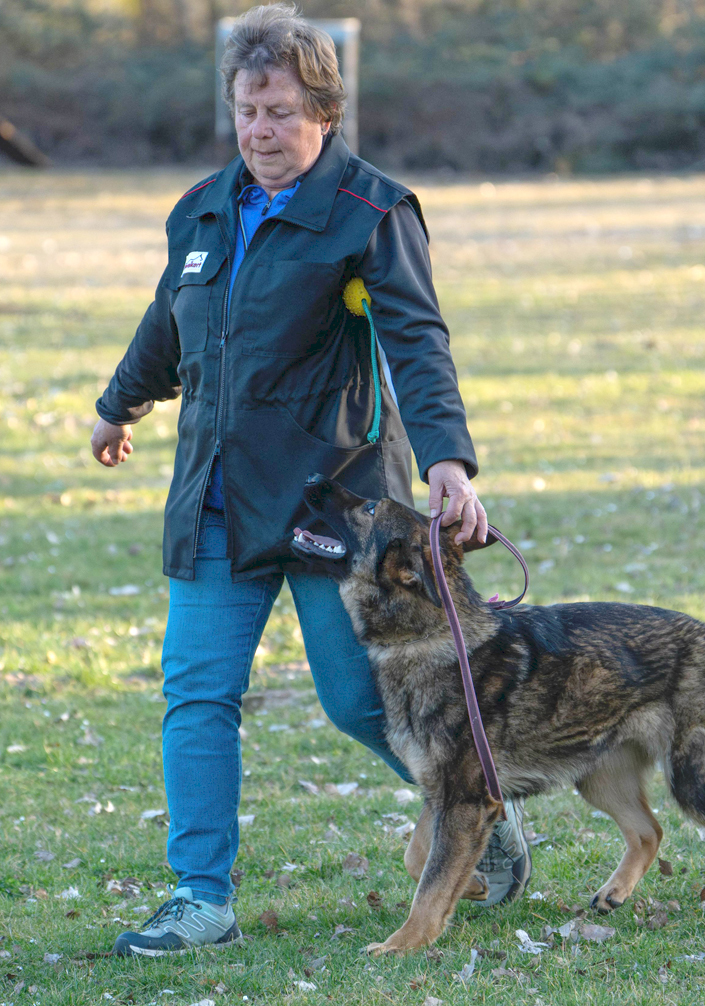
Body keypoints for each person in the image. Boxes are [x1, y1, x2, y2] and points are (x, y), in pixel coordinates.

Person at [91, 3, 530, 958]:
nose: (261, 131)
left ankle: (476, 802)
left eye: (281, 112)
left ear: (324, 112)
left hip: (336, 502)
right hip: (214, 495)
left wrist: (448, 459)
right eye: (248, 111)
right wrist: (119, 405)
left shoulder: (372, 212)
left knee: (357, 701)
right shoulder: (203, 208)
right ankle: (200, 898)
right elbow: (169, 319)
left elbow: (416, 339)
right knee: (197, 694)